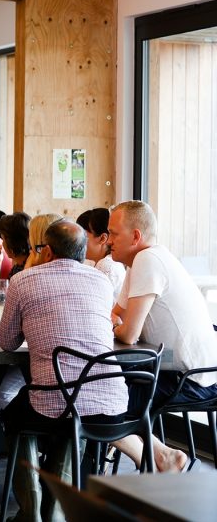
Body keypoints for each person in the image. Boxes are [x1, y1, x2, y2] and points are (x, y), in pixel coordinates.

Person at [0, 219, 130, 522]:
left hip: (54, 401)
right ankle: (54, 511)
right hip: (112, 401)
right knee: (73, 419)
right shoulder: (101, 281)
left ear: (47, 251)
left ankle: (33, 512)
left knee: (16, 417)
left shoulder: (23, 281)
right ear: (83, 253)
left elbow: (6, 342)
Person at [108, 200, 217, 471]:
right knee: (103, 387)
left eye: (113, 233)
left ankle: (162, 457)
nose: (108, 240)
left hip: (191, 377)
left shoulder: (148, 259)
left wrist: (112, 327)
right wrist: (112, 324)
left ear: (135, 236)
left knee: (99, 399)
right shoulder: (140, 262)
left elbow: (129, 333)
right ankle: (160, 455)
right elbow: (114, 314)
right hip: (175, 365)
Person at [76, 207, 125, 303]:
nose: (77, 242)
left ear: (102, 238)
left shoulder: (106, 265)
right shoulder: (106, 262)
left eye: (82, 236)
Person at [0, 211, 31, 281]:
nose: (2, 243)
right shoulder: (18, 264)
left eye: (3, 239)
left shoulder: (27, 268)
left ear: (11, 243)